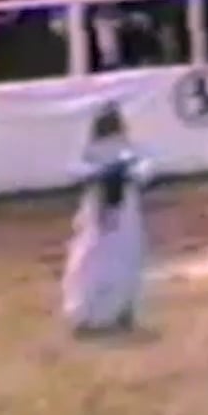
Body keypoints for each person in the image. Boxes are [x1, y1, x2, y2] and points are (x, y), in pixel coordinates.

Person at [61, 104, 154, 336]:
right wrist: (101, 174)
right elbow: (74, 170)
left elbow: (145, 170)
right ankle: (84, 315)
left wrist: (124, 173)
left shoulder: (129, 150)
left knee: (126, 262)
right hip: (97, 215)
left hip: (125, 214)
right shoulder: (90, 151)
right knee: (89, 263)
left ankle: (122, 312)